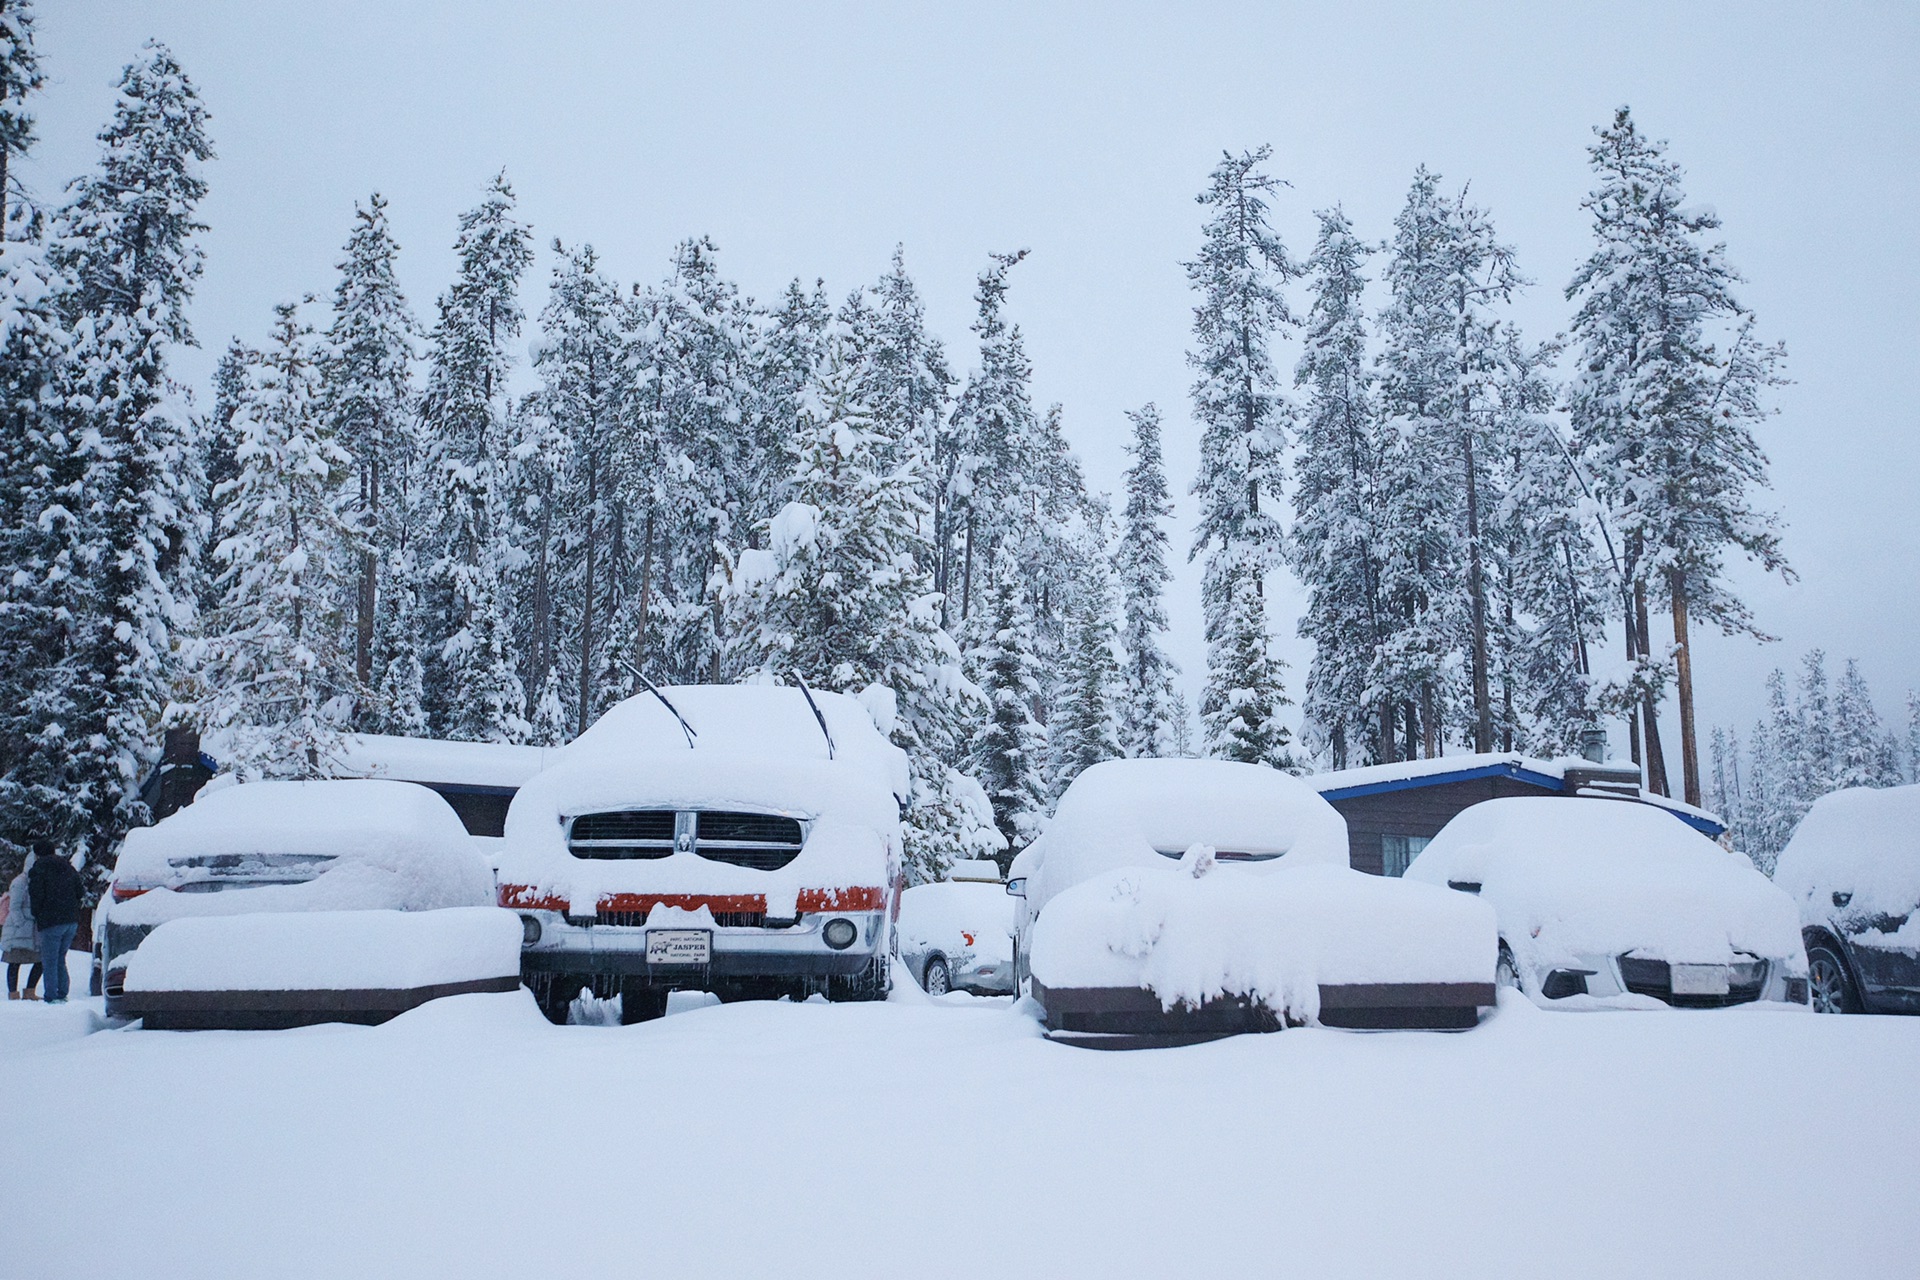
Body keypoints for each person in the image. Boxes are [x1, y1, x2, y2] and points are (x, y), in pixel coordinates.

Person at [26, 842, 82, 1004]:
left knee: (49, 959)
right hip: (71, 919)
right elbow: (80, 891)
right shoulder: (68, 867)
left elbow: (36, 895)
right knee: (60, 957)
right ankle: (62, 991)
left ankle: (51, 995)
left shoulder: (38, 870)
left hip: (50, 920)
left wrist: (37, 913)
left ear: (37, 854)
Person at [2, 854, 41, 1000]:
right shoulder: (20, 882)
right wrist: (21, 924)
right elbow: (15, 907)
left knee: (40, 960)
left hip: (33, 931)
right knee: (14, 961)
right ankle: (13, 994)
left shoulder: (38, 881)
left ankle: (30, 991)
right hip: (17, 930)